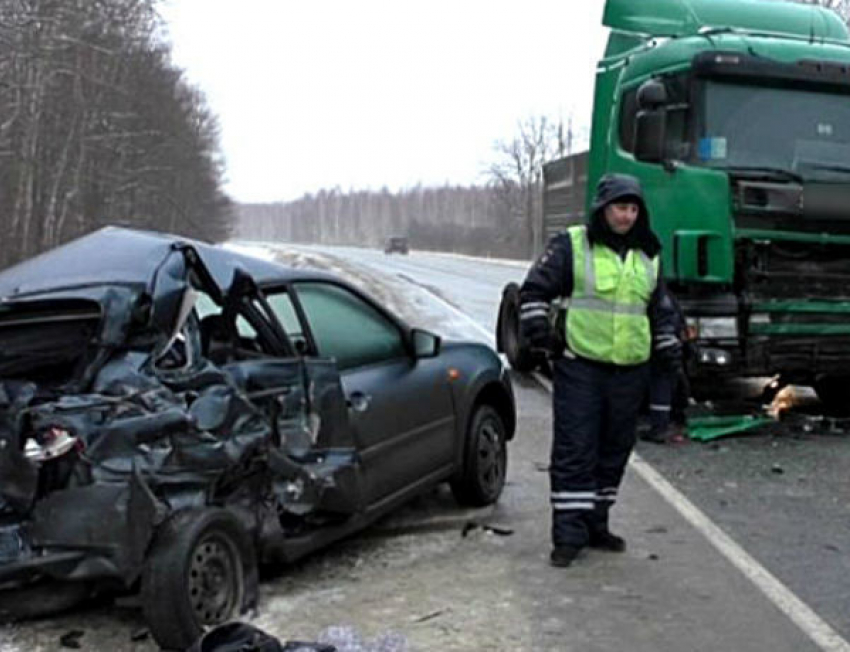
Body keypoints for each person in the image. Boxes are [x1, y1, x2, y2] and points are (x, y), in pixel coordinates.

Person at [519, 173, 681, 568]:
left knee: (614, 450)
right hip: (581, 368)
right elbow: (535, 291)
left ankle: (596, 524)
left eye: (631, 208)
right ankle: (568, 535)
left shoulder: (649, 253)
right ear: (602, 209)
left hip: (630, 371)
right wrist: (541, 333)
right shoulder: (573, 244)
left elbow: (659, 309)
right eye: (618, 208)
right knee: (576, 449)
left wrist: (668, 346)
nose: (625, 216)